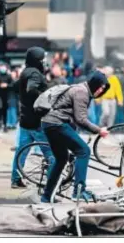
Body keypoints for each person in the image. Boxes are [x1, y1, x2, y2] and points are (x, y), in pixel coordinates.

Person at [41, 70, 110, 202]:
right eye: (101, 87)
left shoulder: (82, 90)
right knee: (83, 151)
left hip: (49, 123)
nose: (101, 91)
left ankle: (46, 196)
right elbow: (81, 119)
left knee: (61, 159)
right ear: (95, 84)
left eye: (103, 89)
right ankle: (79, 191)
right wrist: (99, 130)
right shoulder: (81, 92)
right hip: (57, 123)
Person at [11, 47, 55, 189]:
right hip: (37, 121)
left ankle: (15, 179)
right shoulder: (35, 74)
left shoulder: (25, 72)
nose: (44, 61)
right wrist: (46, 99)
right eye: (42, 59)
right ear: (38, 60)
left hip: (25, 120)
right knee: (50, 152)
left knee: (21, 151)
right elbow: (31, 89)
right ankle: (51, 183)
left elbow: (16, 87)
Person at [0, 62, 12, 132]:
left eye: (3, 66)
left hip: (6, 96)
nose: (2, 68)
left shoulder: (8, 76)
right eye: (1, 66)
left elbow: (12, 85)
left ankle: (4, 125)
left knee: (5, 111)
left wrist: (7, 85)